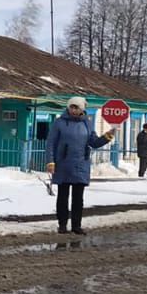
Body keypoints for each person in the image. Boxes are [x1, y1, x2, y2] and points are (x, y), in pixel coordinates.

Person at [46, 96, 115, 235]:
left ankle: (76, 225)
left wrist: (107, 137)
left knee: (78, 198)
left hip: (81, 164)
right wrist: (50, 161)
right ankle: (62, 225)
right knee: (63, 196)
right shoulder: (59, 123)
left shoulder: (87, 124)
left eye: (76, 107)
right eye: (71, 107)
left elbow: (93, 142)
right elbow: (51, 143)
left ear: (82, 109)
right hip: (63, 164)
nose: (73, 110)